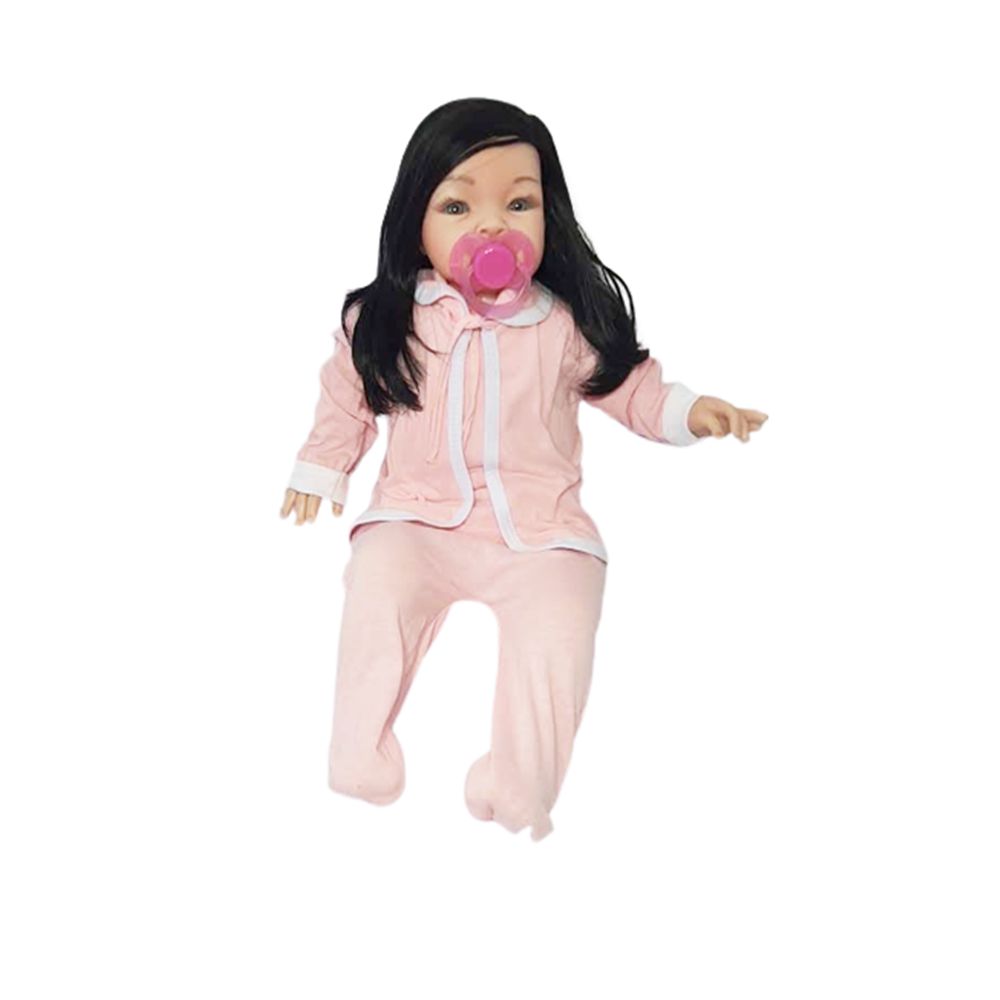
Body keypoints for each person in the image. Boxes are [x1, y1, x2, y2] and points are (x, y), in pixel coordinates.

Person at [280, 98, 768, 841]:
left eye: (518, 203)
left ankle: (519, 782)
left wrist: (692, 411)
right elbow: (347, 396)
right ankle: (357, 753)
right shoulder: (389, 319)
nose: (492, 226)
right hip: (417, 517)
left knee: (560, 629)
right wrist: (321, 468)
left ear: (549, 213)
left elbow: (629, 387)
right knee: (377, 589)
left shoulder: (561, 322)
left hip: (541, 532)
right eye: (458, 206)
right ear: (416, 219)